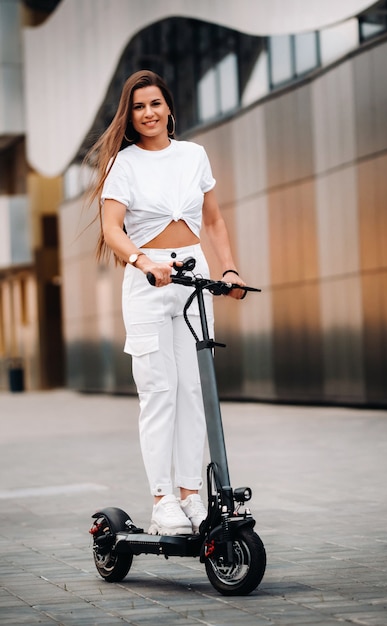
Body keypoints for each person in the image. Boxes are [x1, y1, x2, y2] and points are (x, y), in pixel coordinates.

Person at [85, 69, 245, 536]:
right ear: (129, 116)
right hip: (149, 282)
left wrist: (229, 269)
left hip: (193, 278)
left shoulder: (193, 155)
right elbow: (112, 229)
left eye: (155, 103)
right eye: (138, 107)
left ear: (169, 108)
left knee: (195, 392)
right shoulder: (124, 164)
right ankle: (163, 500)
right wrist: (142, 260)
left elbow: (213, 222)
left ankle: (192, 495)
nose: (148, 113)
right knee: (160, 395)